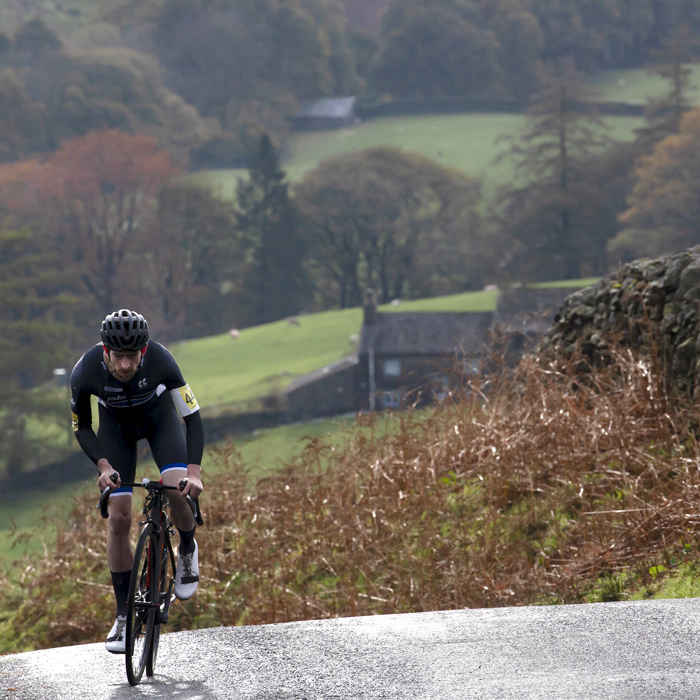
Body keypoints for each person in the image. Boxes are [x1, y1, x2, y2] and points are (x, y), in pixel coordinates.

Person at [70, 309, 204, 653]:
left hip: (161, 424)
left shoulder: (161, 360)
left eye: (133, 357)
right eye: (119, 357)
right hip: (116, 434)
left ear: (143, 351)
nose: (126, 365)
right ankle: (124, 614)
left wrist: (194, 473)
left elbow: (192, 417)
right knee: (118, 517)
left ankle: (187, 546)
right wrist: (102, 466)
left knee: (175, 487)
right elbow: (81, 426)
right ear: (106, 351)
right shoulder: (85, 371)